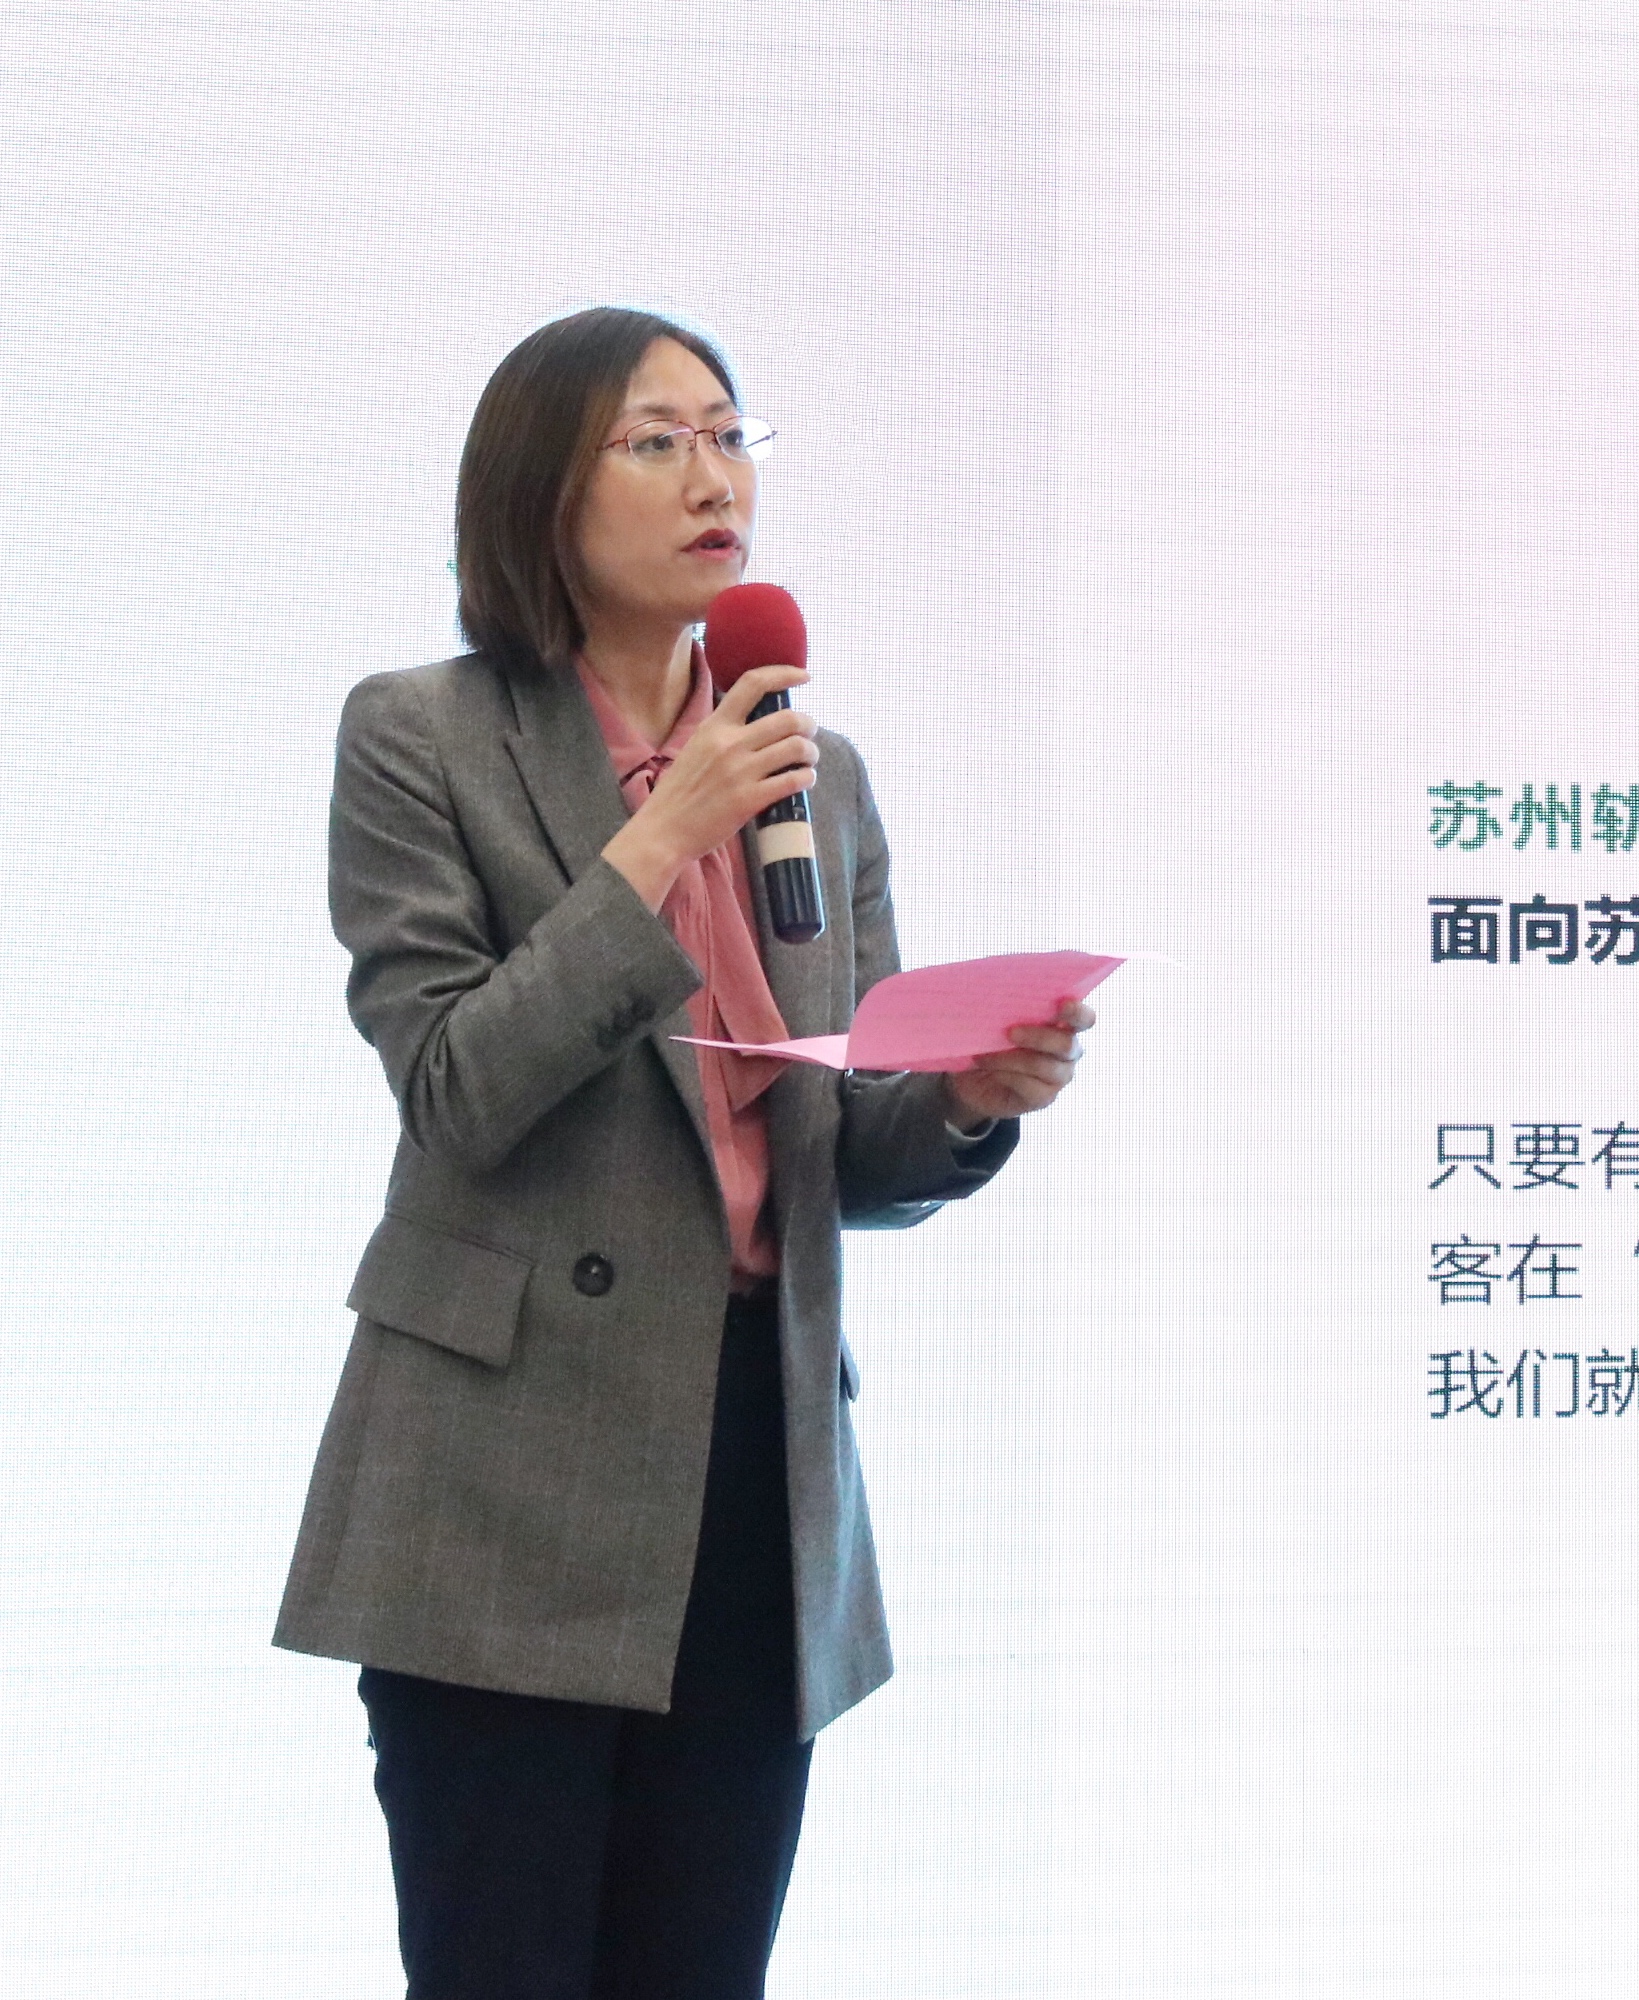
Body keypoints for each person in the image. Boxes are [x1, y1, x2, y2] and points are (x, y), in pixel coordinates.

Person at [272, 305, 1088, 1999]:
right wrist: (658, 842)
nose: (716, 478)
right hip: (503, 1478)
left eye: (730, 435)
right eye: (658, 442)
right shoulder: (419, 735)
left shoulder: (819, 777)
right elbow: (456, 1086)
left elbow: (840, 1143)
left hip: (754, 1469)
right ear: (540, 491)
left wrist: (967, 1101)